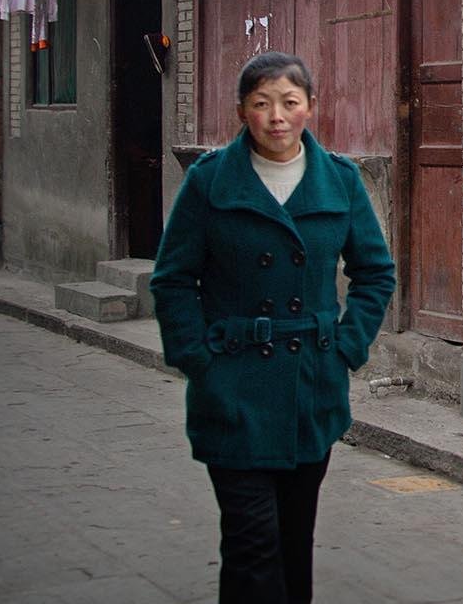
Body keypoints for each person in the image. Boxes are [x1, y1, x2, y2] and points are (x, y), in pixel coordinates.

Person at [151, 52, 395, 603]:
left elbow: (375, 273)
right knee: (251, 542)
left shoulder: (339, 181)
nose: (277, 117)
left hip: (312, 387)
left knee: (293, 541)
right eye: (262, 104)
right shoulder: (210, 183)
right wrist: (199, 361)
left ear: (311, 106)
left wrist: (344, 348)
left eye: (289, 102)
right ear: (243, 111)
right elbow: (172, 280)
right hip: (233, 390)